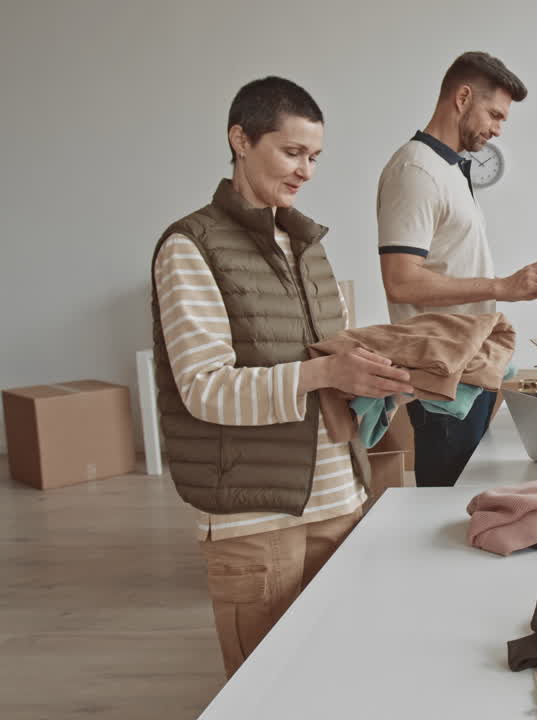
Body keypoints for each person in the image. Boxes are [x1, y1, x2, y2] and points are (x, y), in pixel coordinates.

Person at [150, 77, 415, 677]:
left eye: (315, 157)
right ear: (240, 140)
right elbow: (204, 388)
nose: (306, 171)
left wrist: (377, 374)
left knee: (337, 677)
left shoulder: (308, 245)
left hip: (339, 499)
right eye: (292, 152)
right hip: (254, 517)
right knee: (265, 691)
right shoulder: (190, 246)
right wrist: (325, 368)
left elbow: (329, 358)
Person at [377, 51, 537, 487]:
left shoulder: (450, 170)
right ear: (462, 97)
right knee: (443, 504)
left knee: (466, 500)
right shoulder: (415, 170)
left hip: (470, 367)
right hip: (443, 376)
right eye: (494, 114)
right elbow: (401, 281)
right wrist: (504, 286)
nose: (498, 128)